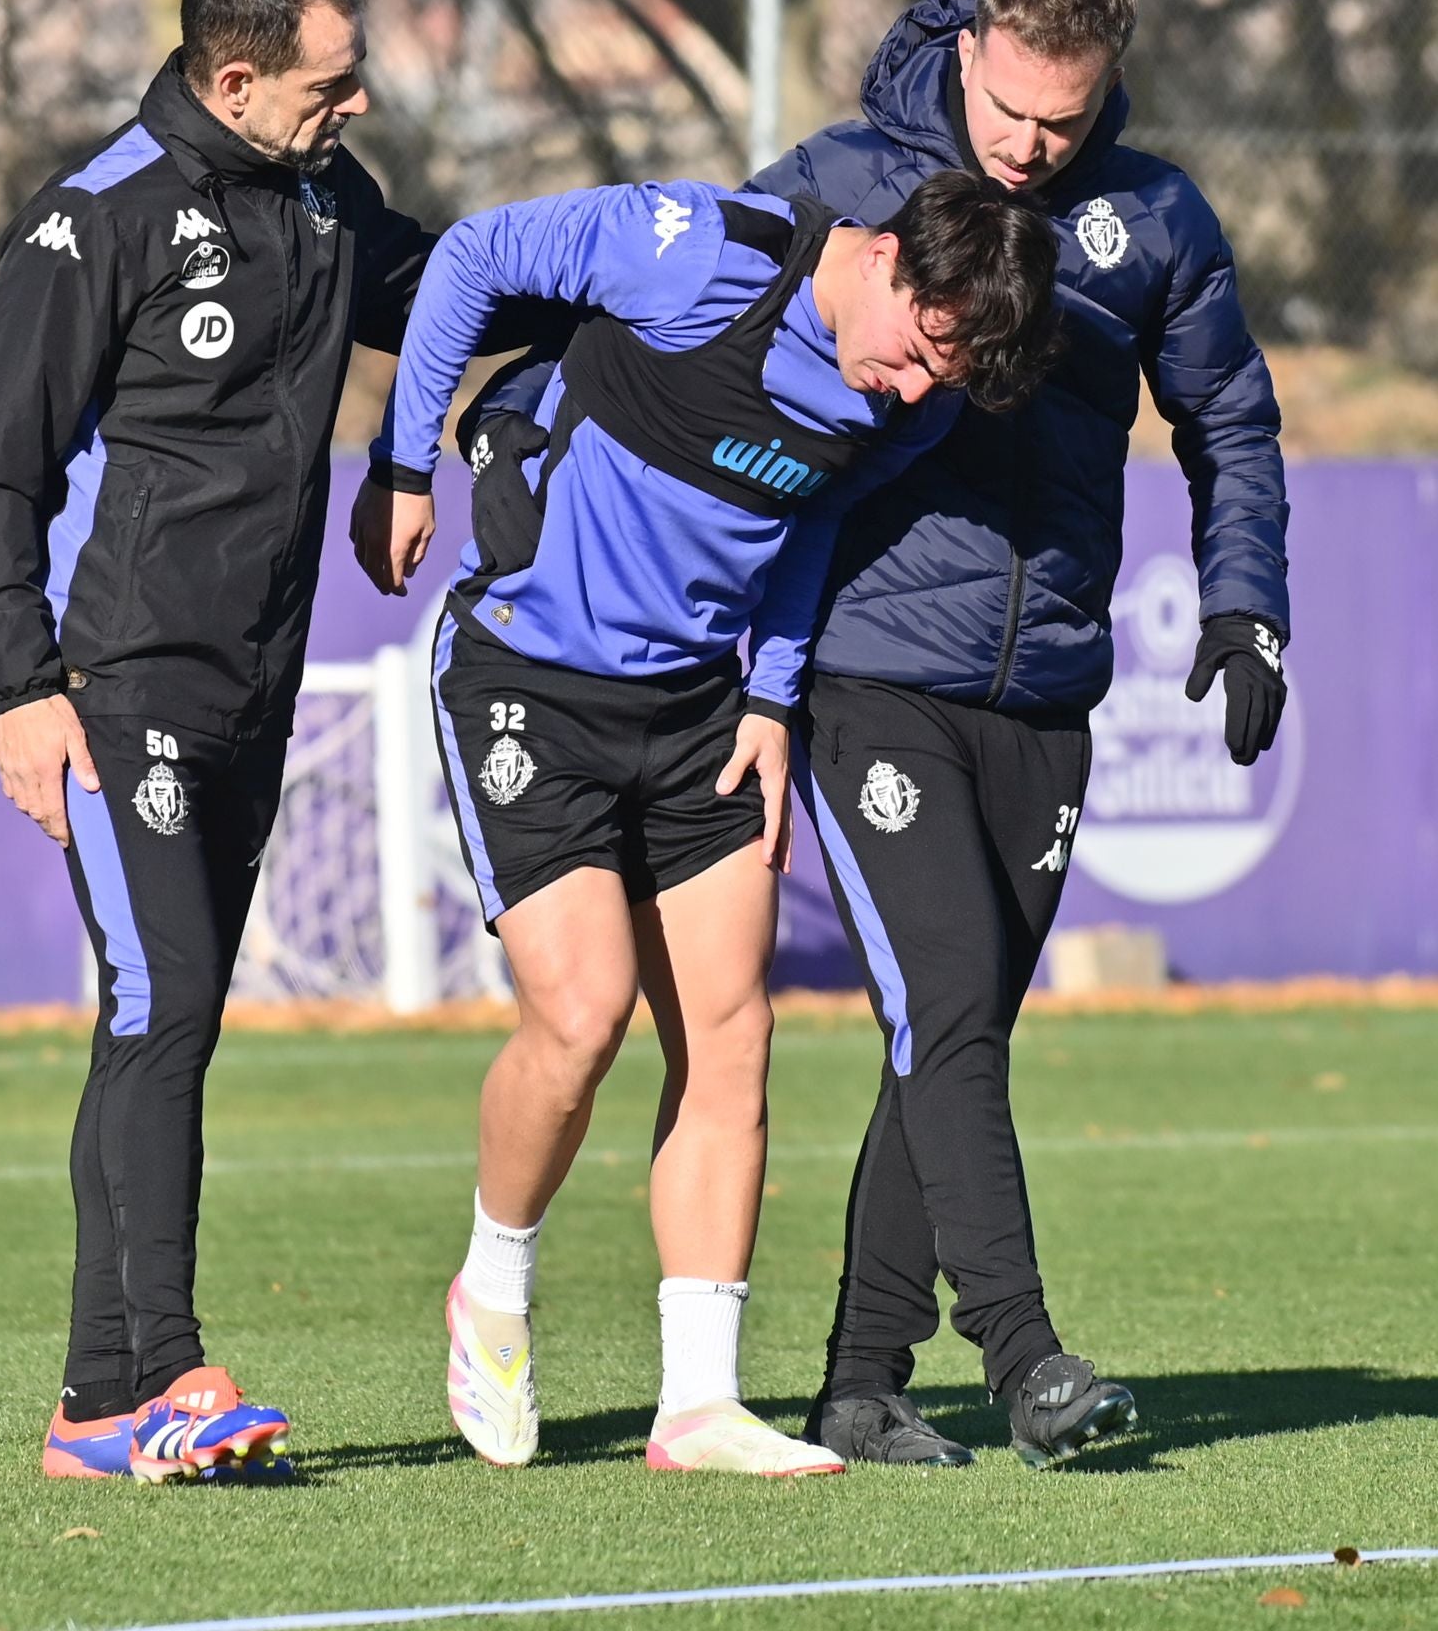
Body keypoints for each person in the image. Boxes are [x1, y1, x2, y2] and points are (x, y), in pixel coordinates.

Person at [351, 168, 1062, 1475]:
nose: (912, 392)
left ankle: (698, 1406)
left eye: (940, 381)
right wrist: (405, 468)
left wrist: (774, 695)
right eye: (916, 353)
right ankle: (492, 1291)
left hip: (697, 711)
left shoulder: (910, 403)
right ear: (890, 260)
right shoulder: (693, 254)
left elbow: (815, 519)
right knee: (581, 1014)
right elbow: (465, 257)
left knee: (734, 1035)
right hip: (526, 676)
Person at [741, 0, 1293, 1469]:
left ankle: (858, 1383)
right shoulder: (851, 176)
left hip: (1047, 688)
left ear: (1105, 84)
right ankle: (1025, 1358)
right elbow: (693, 306)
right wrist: (520, 421)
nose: (1029, 148)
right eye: (1010, 112)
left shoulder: (1156, 218)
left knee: (954, 1025)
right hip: (867, 671)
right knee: (952, 1009)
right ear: (972, 49)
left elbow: (1229, 421)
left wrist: (1249, 607)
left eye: (1064, 120)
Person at [0, 0, 442, 1485]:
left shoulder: (317, 194)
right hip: (115, 680)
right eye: (332, 80)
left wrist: (628, 303)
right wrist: (25, 688)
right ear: (238, 77)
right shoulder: (92, 224)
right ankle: (170, 1375)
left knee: (167, 1022)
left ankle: (93, 1413)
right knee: (164, 1008)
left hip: (256, 684)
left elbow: (443, 288)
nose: (357, 103)